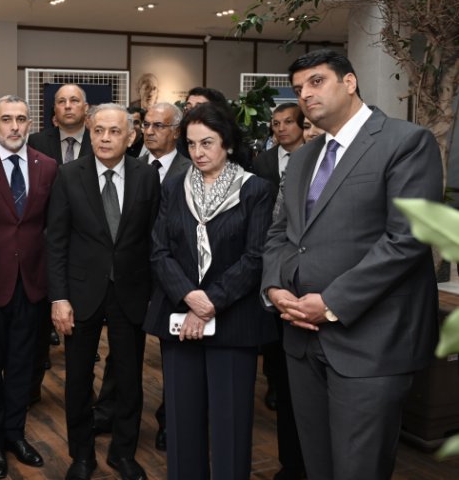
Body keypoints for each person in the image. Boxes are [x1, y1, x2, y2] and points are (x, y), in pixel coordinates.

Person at [262, 49, 442, 480]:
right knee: (317, 465)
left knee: (358, 469)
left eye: (316, 81)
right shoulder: (303, 158)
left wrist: (330, 303)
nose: (306, 95)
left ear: (349, 82)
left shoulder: (405, 142)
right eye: (299, 88)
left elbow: (408, 238)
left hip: (370, 342)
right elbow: (280, 234)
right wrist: (274, 288)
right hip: (301, 339)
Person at [144, 102, 275, 480]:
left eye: (207, 143)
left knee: (230, 427)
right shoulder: (174, 186)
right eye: (191, 144)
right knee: (181, 424)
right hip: (179, 318)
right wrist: (189, 296)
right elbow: (159, 250)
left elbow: (255, 257)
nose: (198, 152)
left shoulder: (255, 190)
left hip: (234, 322)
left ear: (228, 143)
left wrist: (210, 302)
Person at [48, 103, 159, 480]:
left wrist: (154, 293)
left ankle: (123, 453)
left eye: (114, 131)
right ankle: (81, 455)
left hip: (131, 291)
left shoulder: (147, 176)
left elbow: (153, 239)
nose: (105, 138)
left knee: (129, 378)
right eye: (98, 131)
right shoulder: (68, 175)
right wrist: (59, 297)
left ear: (131, 136)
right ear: (89, 133)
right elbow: (56, 241)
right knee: (78, 379)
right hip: (81, 293)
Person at [0, 95, 59, 479]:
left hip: (33, 284)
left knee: (23, 365)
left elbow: (52, 227)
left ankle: (15, 435)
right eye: (7, 119)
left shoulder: (47, 166)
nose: (15, 126)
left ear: (30, 123)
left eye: (21, 119)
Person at [93, 102, 189, 450]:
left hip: (174, 274)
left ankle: (171, 420)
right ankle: (107, 410)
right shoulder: (131, 164)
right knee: (123, 351)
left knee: (175, 353)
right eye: (146, 125)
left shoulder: (189, 168)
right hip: (131, 276)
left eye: (158, 126)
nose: (149, 131)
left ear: (176, 132)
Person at [27, 82, 93, 403]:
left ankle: (82, 397)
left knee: (84, 329)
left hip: (87, 250)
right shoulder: (37, 142)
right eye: (61, 101)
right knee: (38, 328)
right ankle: (30, 391)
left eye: (74, 100)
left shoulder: (100, 141)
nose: (68, 106)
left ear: (85, 109)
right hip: (44, 247)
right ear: (53, 110)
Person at [251, 102, 306, 480]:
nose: (282, 128)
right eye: (276, 123)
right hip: (280, 276)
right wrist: (271, 282)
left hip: (327, 292)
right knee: (289, 381)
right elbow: (273, 224)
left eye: (291, 122)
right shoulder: (268, 163)